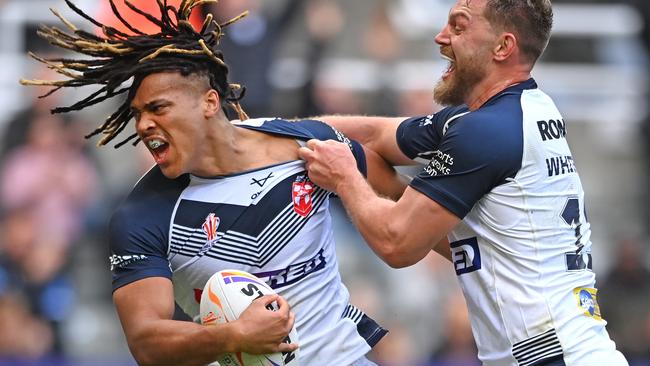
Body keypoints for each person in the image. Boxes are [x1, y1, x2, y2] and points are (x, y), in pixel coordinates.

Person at [21, 1, 403, 365]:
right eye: (137, 114)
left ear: (208, 102)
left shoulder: (303, 146)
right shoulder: (141, 214)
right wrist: (234, 336)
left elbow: (409, 201)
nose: (142, 125)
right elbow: (145, 342)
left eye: (158, 108)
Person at [298, 0, 630, 365]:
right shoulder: (522, 111)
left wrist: (345, 175)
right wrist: (275, 131)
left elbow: (396, 243)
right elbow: (376, 134)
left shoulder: (486, 131)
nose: (441, 38)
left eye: (458, 27)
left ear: (503, 47)